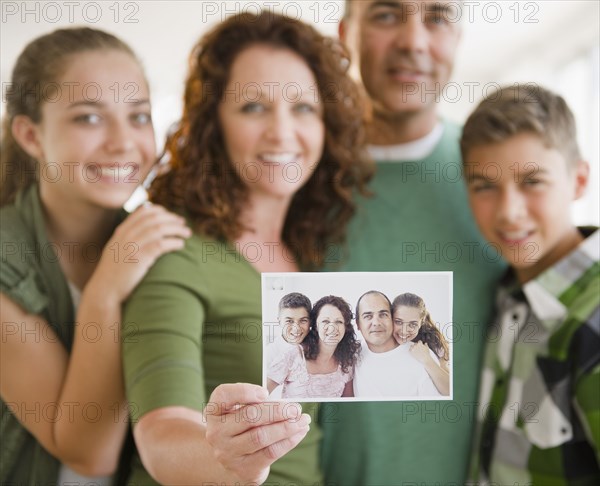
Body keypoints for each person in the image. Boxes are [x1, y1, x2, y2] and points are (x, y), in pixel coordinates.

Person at [120, 11, 370, 485]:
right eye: (253, 106)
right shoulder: (176, 248)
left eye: (303, 108)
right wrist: (229, 459)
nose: (281, 131)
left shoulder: (315, 254)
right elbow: (161, 430)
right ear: (214, 125)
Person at [319, 1, 506, 484]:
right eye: (386, 15)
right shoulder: (295, 176)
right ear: (345, 34)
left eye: (437, 18)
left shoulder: (500, 185)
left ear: (458, 37)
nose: (414, 41)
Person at [0, 28, 190, 484]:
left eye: (139, 117)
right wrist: (105, 290)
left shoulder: (154, 236)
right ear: (30, 135)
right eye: (89, 118)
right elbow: (89, 454)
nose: (123, 142)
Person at [461, 84, 599, 484]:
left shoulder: (593, 316)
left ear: (579, 181)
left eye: (532, 181)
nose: (508, 212)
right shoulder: (503, 296)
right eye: (484, 186)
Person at [268, 295, 360, 398]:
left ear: (345, 327)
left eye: (338, 322)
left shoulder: (346, 361)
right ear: (315, 325)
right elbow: (260, 393)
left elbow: (347, 403)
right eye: (325, 321)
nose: (332, 328)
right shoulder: (293, 354)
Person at [353, 290, 440, 397]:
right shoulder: (351, 355)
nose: (376, 323)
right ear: (357, 324)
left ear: (391, 318)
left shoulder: (423, 357)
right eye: (367, 316)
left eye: (383, 314)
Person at [392, 292, 450, 395]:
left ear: (421, 322)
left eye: (412, 324)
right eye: (398, 322)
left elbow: (449, 390)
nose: (404, 331)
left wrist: (427, 359)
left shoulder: (432, 340)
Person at [266, 292, 312, 368]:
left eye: (303, 321)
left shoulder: (316, 349)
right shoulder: (269, 355)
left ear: (310, 322)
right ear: (279, 321)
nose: (296, 328)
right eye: (289, 321)